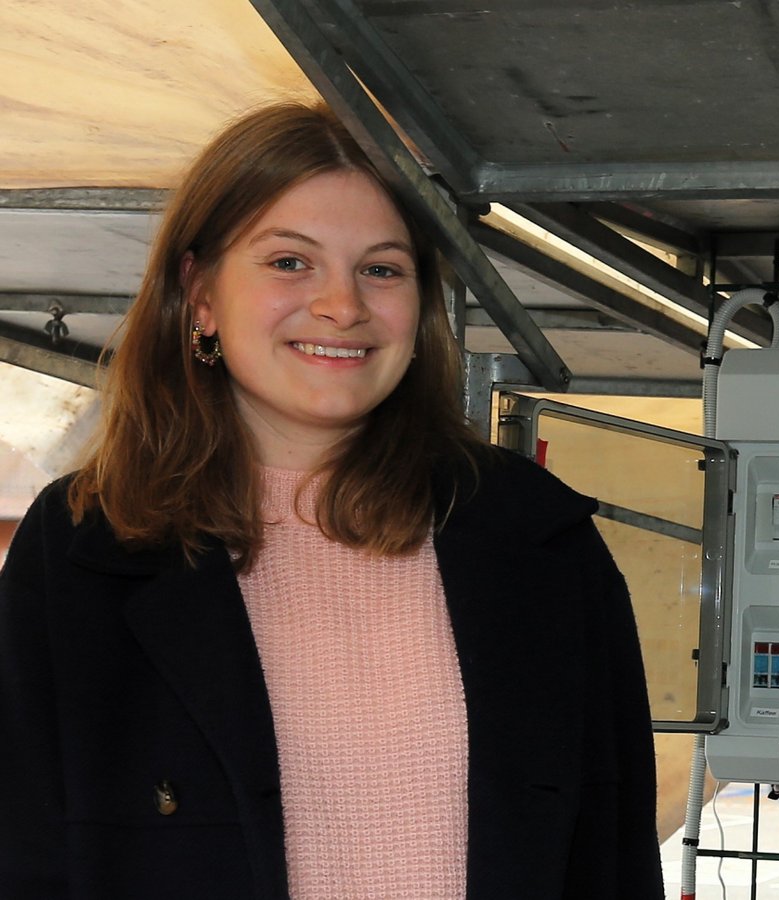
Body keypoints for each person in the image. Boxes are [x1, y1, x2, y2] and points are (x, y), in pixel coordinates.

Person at [0, 100, 664, 898]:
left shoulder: (536, 539)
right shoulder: (84, 549)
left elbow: (613, 857)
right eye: (290, 261)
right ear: (200, 292)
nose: (342, 306)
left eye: (381, 269)